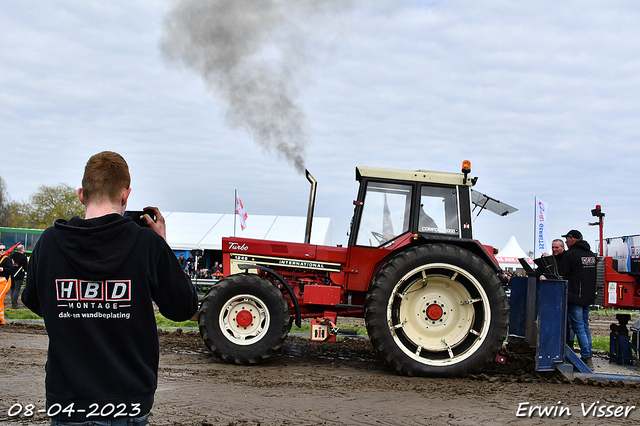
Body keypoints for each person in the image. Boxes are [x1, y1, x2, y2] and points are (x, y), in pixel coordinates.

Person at [22, 151, 198, 425]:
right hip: (126, 402)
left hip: (68, 402)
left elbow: (34, 301)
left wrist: (78, 307)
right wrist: (162, 244)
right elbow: (184, 307)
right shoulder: (147, 245)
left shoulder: (49, 243)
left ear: (82, 194)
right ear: (125, 196)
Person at [559, 229, 597, 369]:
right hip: (588, 296)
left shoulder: (571, 255)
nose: (566, 242)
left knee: (578, 327)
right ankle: (588, 355)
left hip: (575, 296)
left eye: (567, 239)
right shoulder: (591, 255)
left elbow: (562, 273)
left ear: (572, 239)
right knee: (585, 326)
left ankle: (586, 357)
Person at [0, 244, 17, 324]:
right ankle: (1, 319)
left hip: (5, 281)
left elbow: (11, 270)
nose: (2, 251)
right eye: (1, 249)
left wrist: (3, 269)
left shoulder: (7, 259)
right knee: (0, 299)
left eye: (4, 249)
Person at [9, 244, 28, 309]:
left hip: (11, 274)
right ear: (22, 250)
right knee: (17, 289)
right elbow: (25, 267)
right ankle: (14, 304)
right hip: (19, 275)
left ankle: (12, 302)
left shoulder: (11, 256)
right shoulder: (23, 257)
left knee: (12, 289)